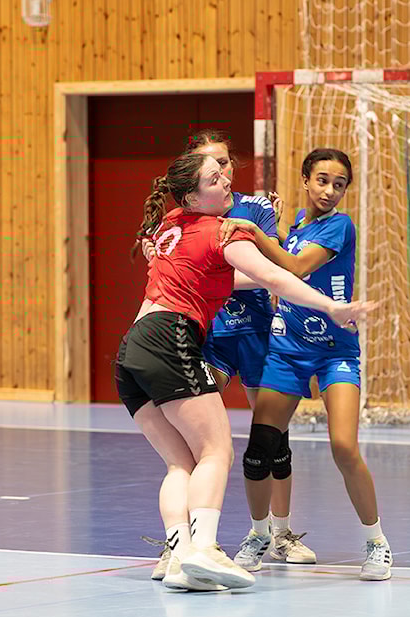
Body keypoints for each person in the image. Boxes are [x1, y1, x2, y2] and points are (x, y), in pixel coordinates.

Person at [116, 151, 374, 591]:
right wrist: (331, 306)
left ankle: (178, 557)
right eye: (214, 179)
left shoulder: (171, 224)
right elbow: (277, 278)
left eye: (223, 173)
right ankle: (204, 549)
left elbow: (223, 276)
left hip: (132, 349)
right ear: (192, 195)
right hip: (170, 337)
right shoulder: (222, 231)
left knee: (181, 463)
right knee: (216, 452)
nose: (226, 182)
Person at [141, 130, 316, 581]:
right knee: (195, 443)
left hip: (256, 331)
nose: (219, 171)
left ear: (231, 166)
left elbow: (273, 268)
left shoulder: (254, 210)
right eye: (209, 165)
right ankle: (184, 545)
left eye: (223, 163)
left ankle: (280, 532)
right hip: (211, 334)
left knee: (271, 436)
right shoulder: (184, 214)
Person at [231, 148, 393, 581]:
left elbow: (296, 265)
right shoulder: (300, 224)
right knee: (260, 450)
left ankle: (377, 542)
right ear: (305, 180)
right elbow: (287, 250)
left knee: (344, 447)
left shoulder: (340, 226)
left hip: (336, 350)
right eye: (322, 180)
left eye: (339, 184)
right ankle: (260, 534)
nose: (330, 190)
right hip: (288, 348)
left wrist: (254, 229)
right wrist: (277, 226)